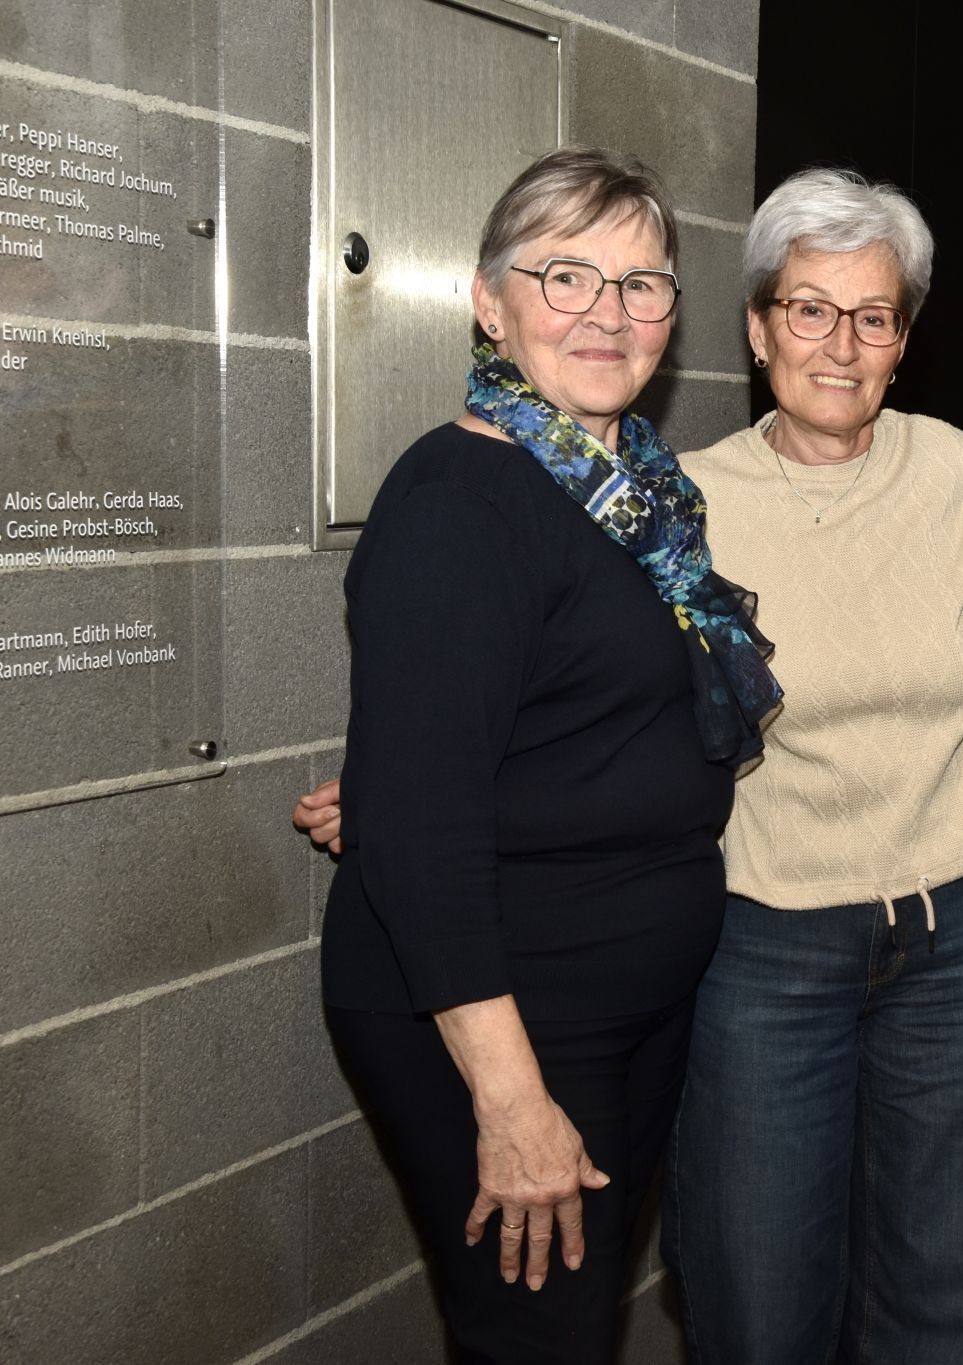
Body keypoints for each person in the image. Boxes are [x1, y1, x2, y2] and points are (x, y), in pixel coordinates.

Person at [312, 145, 778, 1363]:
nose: (604, 315)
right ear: (488, 300)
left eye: (641, 286)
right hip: (509, 1008)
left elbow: (548, 721)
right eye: (564, 277)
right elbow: (421, 834)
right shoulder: (461, 501)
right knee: (541, 1339)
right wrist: (511, 1104)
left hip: (622, 987)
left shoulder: (632, 491)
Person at [660, 167, 963, 1363]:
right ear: (758, 324)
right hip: (768, 948)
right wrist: (429, 779)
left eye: (872, 316)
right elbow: (580, 684)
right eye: (808, 309)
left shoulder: (958, 473)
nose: (838, 342)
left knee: (934, 1294)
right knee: (760, 1302)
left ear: (902, 340)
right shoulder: (689, 502)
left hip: (960, 938)